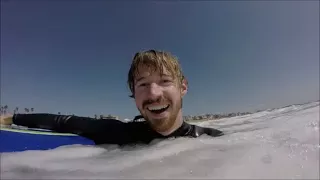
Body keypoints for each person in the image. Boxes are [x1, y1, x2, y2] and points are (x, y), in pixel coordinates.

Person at [0, 50, 224, 145]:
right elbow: (65, 122)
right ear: (133, 94)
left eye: (165, 81)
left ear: (183, 87)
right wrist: (10, 119)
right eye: (143, 85)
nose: (154, 94)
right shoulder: (121, 134)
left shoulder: (214, 141)